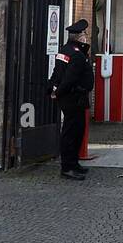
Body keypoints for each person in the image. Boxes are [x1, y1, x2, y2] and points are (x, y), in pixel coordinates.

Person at [47, 19, 93, 180]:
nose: (85, 37)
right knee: (72, 133)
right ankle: (67, 167)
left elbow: (57, 72)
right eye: (84, 34)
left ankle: (73, 163)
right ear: (79, 37)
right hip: (74, 98)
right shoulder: (77, 54)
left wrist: (54, 89)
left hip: (70, 97)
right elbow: (69, 78)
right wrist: (58, 92)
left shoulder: (65, 50)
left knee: (76, 131)